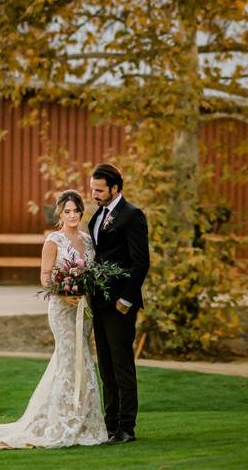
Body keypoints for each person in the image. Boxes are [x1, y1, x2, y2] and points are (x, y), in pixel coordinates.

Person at [0, 190, 108, 449]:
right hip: (61, 310)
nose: (72, 215)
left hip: (84, 310)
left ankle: (82, 419)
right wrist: (63, 294)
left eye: (76, 211)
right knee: (69, 358)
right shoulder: (54, 240)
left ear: (81, 213)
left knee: (82, 357)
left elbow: (92, 272)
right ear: (59, 214)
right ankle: (62, 421)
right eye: (67, 211)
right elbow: (45, 275)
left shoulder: (87, 240)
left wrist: (83, 290)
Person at [87, 163, 150, 444]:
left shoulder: (132, 216)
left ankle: (127, 428)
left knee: (122, 365)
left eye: (99, 190)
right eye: (92, 189)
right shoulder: (97, 217)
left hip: (120, 305)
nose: (94, 194)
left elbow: (140, 262)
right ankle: (110, 426)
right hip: (99, 303)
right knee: (106, 368)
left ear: (115, 188)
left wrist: (126, 300)